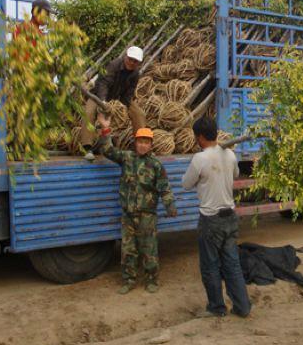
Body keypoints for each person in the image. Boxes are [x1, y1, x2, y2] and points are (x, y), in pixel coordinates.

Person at [182, 117, 251, 318]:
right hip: (230, 218)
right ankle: (243, 307)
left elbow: (186, 184)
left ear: (201, 137)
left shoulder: (199, 159)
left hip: (210, 221)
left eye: (196, 137)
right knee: (232, 264)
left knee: (210, 266)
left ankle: (217, 308)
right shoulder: (229, 154)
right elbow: (236, 174)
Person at [102, 128, 177, 294]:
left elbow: (164, 188)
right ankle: (129, 280)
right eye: (140, 141)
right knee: (128, 250)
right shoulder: (127, 158)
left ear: (150, 145)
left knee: (149, 249)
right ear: (135, 143)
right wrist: (105, 129)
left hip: (147, 215)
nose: (143, 145)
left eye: (146, 142)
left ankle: (152, 280)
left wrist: (169, 204)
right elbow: (107, 150)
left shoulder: (156, 165)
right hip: (128, 215)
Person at [82, 46, 146, 161]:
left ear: (139, 63)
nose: (131, 63)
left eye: (135, 61)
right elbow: (103, 83)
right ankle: (87, 148)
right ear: (126, 56)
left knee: (139, 113)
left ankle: (140, 146)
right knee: (88, 112)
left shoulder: (135, 73)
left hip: (119, 97)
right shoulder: (113, 65)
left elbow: (129, 92)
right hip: (98, 95)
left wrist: (123, 107)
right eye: (130, 59)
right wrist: (103, 101)